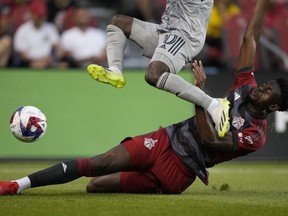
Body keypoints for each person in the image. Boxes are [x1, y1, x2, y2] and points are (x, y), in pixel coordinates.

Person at [1, 0, 288, 196]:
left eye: (267, 91)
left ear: (273, 106)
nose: (260, 87)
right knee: (96, 174)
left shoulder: (255, 135)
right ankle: (17, 185)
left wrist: (202, 95)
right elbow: (250, 37)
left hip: (180, 169)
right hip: (167, 139)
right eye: (265, 84)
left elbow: (210, 140)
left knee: (100, 183)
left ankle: (158, 182)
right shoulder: (245, 86)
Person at [87, 0, 231, 138]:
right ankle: (115, 71)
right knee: (117, 23)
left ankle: (214, 105)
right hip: (166, 31)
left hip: (185, 36)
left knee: (154, 74)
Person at [13, 2, 62, 68]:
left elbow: (58, 48)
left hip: (47, 62)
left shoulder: (50, 28)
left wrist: (53, 58)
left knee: (63, 65)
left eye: (42, 16)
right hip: (29, 63)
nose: (41, 19)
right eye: (39, 16)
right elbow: (22, 54)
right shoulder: (23, 30)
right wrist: (35, 61)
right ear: (32, 15)